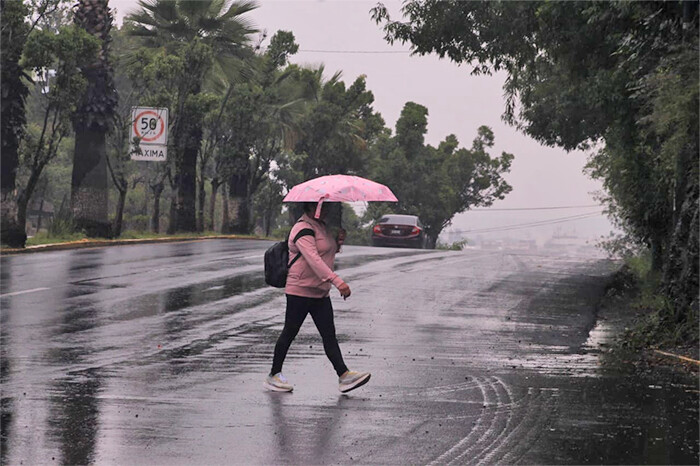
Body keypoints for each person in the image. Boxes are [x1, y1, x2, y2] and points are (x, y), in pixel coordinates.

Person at [264, 202, 371, 393]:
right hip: (300, 290)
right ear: (312, 208)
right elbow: (313, 259)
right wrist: (337, 281)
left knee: (329, 335)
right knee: (290, 332)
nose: (328, 210)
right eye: (324, 207)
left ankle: (344, 375)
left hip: (320, 291)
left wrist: (337, 243)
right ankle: (274, 375)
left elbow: (325, 253)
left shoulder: (321, 226)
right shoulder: (302, 228)